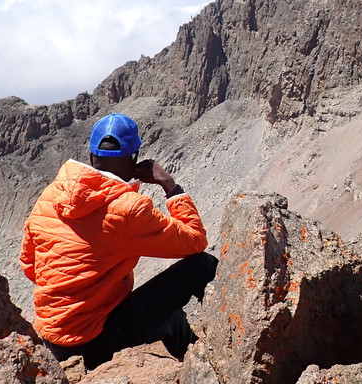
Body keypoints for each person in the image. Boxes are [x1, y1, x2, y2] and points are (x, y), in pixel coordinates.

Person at [20, 112, 217, 368]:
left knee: (171, 314)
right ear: (134, 159)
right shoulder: (128, 209)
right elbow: (195, 240)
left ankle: (193, 360)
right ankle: (213, 361)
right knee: (203, 264)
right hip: (91, 341)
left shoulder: (52, 193)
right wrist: (170, 185)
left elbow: (29, 265)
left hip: (53, 339)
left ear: (92, 155)